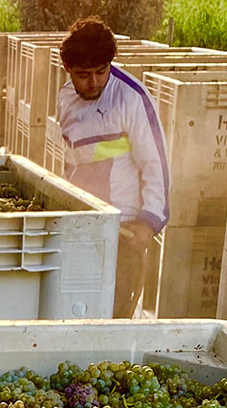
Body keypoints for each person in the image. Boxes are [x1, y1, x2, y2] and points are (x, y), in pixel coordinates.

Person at [56, 16, 171, 318]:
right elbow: (72, 159)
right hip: (80, 223)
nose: (93, 82)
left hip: (122, 232)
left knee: (112, 315)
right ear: (67, 68)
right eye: (83, 75)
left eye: (100, 71)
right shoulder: (66, 97)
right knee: (74, 311)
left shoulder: (132, 99)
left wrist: (148, 223)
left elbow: (156, 164)